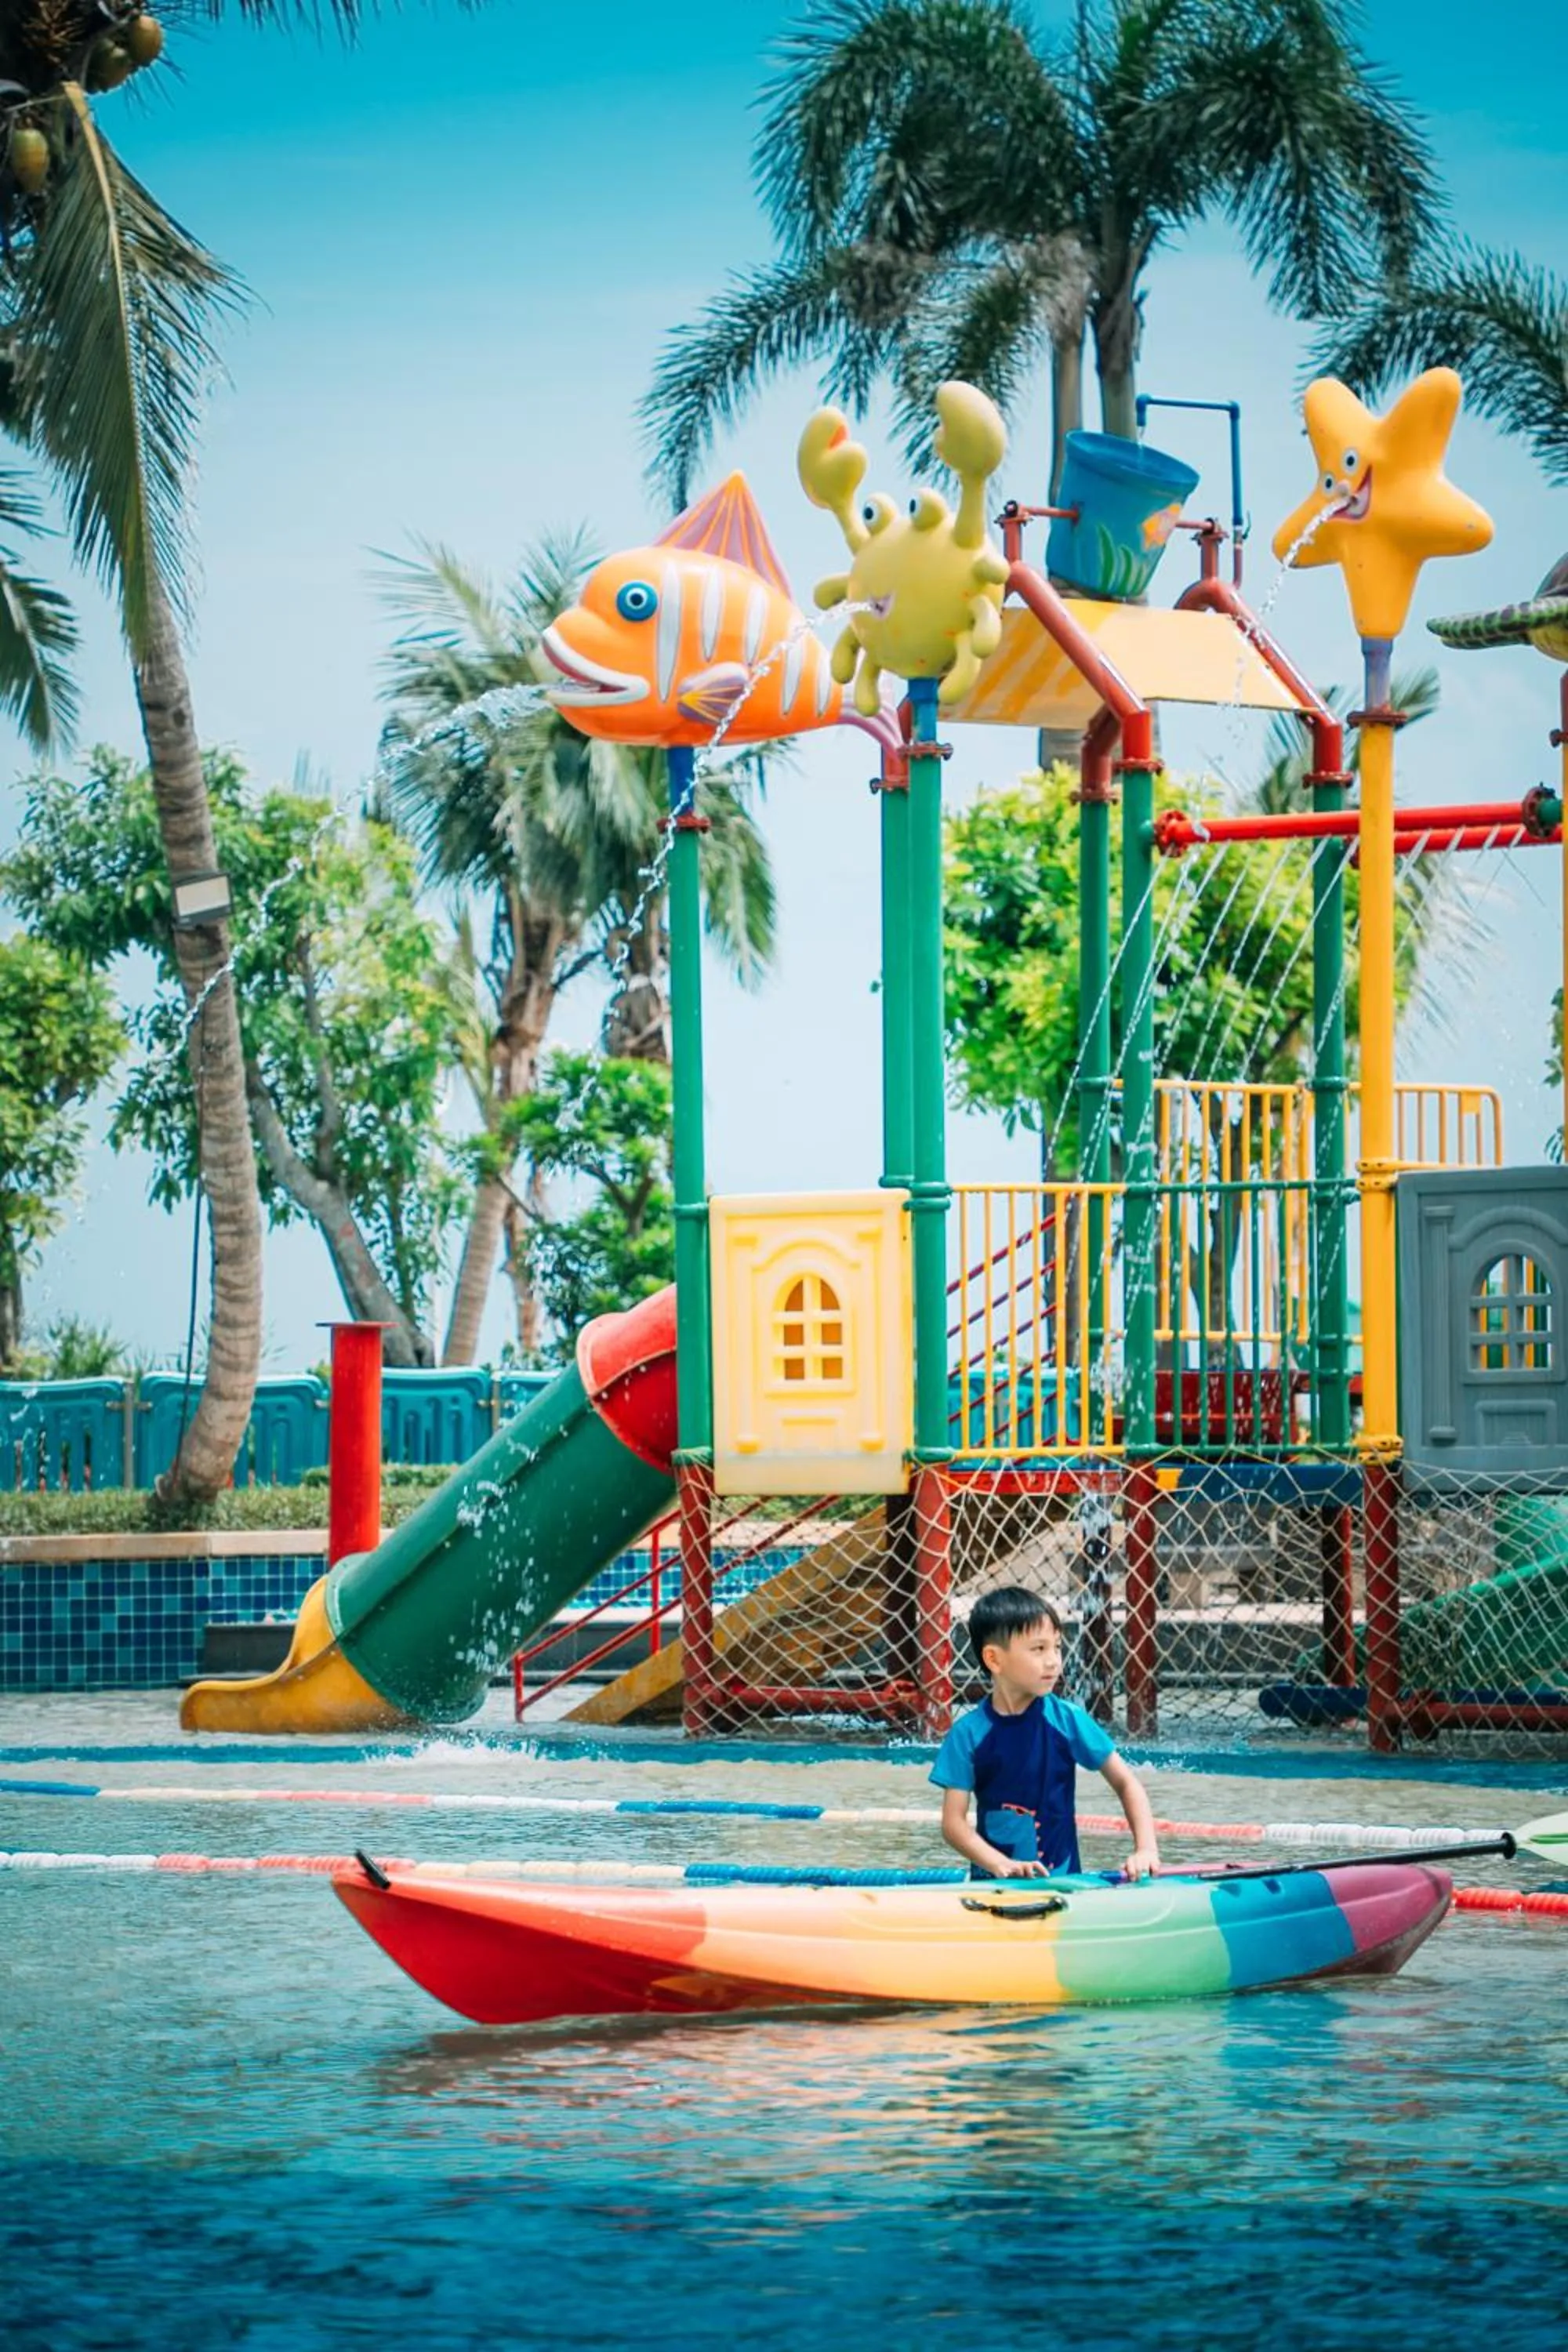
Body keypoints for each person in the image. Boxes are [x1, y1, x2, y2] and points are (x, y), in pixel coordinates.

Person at [932, 1584, 1161, 1882]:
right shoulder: (968, 1735)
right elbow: (953, 1824)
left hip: (1064, 1887)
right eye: (1039, 1649)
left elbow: (1126, 1783)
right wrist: (1002, 1864)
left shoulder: (1067, 1721)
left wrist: (1146, 1849)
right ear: (994, 1660)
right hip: (993, 1889)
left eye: (1057, 1647)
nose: (1054, 1660)